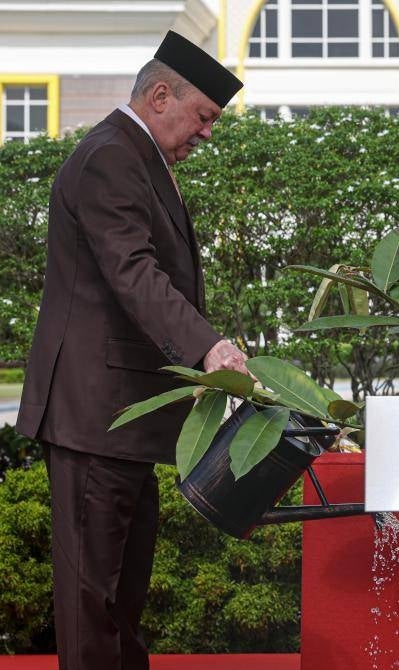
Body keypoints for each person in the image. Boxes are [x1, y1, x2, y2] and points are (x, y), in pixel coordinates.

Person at [16, 31, 250, 669]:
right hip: (96, 416)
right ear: (161, 95)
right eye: (204, 116)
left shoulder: (135, 155)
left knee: (121, 599)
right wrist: (207, 347)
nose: (207, 133)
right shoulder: (111, 157)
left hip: (120, 420)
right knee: (94, 601)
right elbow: (134, 272)